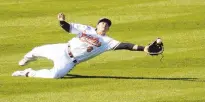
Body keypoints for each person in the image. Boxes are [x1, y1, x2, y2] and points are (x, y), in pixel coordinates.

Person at [12, 13, 163, 79]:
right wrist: (62, 21)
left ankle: (27, 72)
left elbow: (126, 45)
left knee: (55, 75)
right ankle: (27, 59)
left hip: (70, 61)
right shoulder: (87, 29)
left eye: (107, 25)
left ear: (108, 29)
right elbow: (68, 27)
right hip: (62, 48)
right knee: (36, 50)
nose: (104, 25)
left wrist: (143, 48)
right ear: (97, 25)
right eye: (102, 23)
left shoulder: (107, 42)